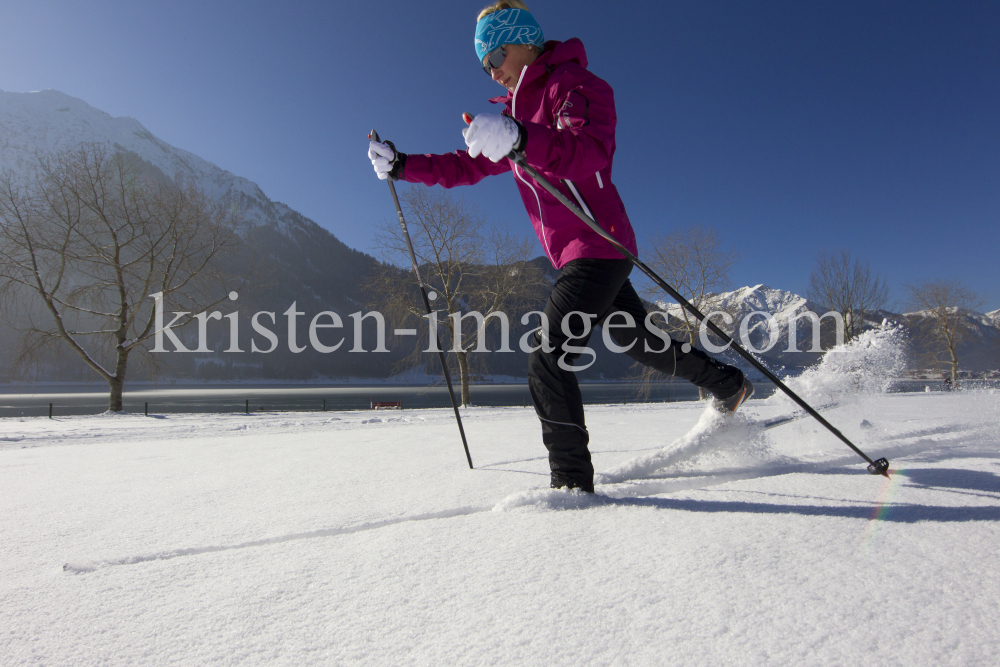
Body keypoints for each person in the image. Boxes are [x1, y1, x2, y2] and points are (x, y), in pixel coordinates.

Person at [368, 1, 752, 493]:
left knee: (547, 357)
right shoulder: (513, 115)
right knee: (638, 342)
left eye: (497, 56)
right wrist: (402, 164)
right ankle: (727, 384)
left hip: (600, 242)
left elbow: (586, 153)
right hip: (578, 252)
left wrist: (520, 137)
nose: (493, 71)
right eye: (485, 64)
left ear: (526, 41)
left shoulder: (576, 86)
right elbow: (463, 168)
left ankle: (571, 487)